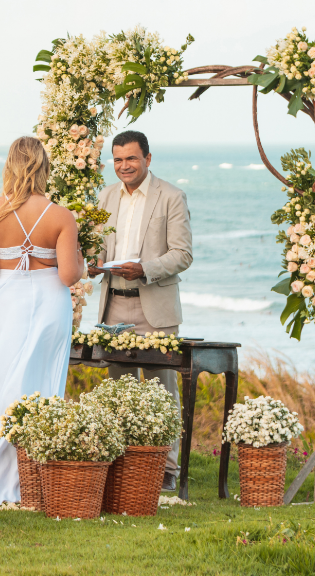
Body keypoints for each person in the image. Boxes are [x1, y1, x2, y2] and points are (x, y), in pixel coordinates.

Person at [0, 136, 84, 504]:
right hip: (50, 302)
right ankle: (31, 477)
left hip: (9, 302)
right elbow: (68, 276)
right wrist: (80, 257)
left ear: (10, 165)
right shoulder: (61, 216)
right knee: (41, 383)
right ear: (43, 166)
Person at [88, 130, 192, 492]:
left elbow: (182, 255)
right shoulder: (105, 197)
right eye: (117, 160)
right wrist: (93, 262)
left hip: (155, 308)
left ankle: (166, 471)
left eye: (131, 158)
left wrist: (144, 269)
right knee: (118, 390)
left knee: (162, 391)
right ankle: (123, 466)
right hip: (113, 303)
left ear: (148, 158)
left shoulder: (172, 197)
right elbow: (100, 248)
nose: (124, 166)